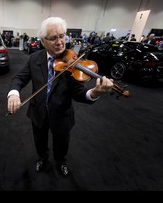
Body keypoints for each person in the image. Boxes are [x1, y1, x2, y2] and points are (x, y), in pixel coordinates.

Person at [7, 17, 114, 177]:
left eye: (62, 36)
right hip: (38, 112)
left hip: (62, 114)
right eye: (53, 38)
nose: (60, 42)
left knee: (62, 143)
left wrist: (95, 93)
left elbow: (78, 93)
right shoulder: (34, 59)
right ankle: (42, 158)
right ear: (43, 41)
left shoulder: (73, 61)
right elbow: (19, 79)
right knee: (40, 141)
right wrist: (14, 94)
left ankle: (61, 161)